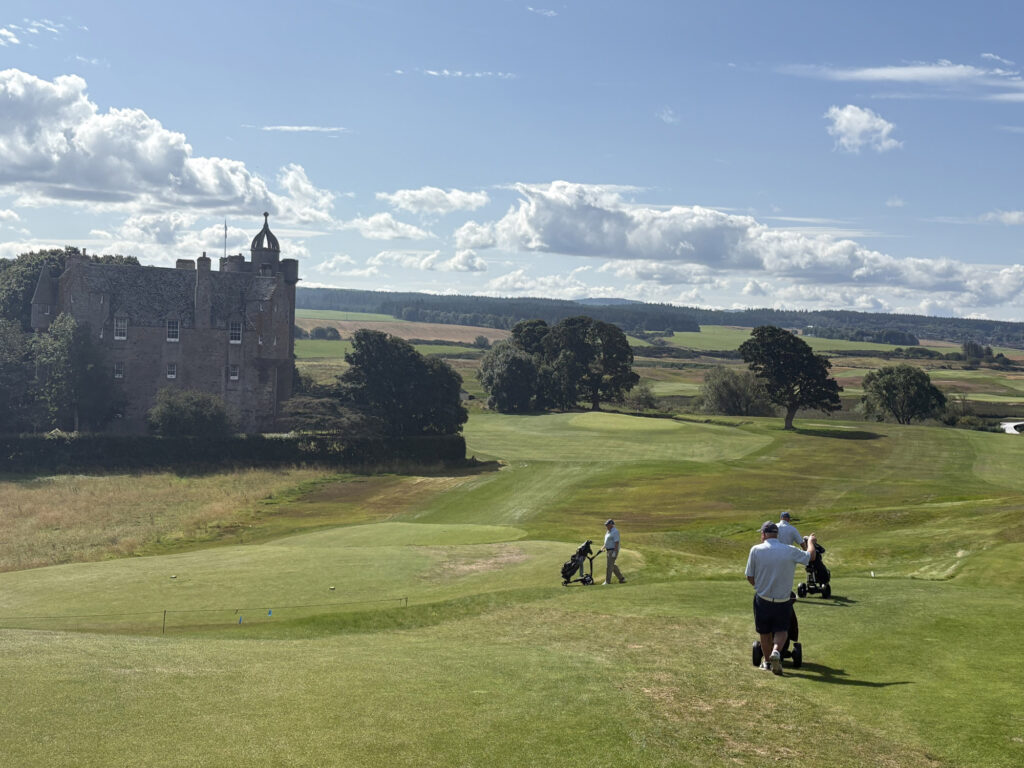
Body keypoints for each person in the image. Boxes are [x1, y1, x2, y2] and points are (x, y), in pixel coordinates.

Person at [744, 521, 817, 676]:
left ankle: (767, 662)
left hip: (763, 598)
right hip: (783, 600)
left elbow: (750, 576)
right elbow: (810, 556)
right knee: (782, 629)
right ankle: (776, 651)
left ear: (763, 534)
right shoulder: (789, 550)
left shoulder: (755, 550)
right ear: (776, 534)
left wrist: (760, 586)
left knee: (764, 632)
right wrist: (810, 542)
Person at [600, 519, 626, 585]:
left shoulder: (615, 531)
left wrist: (615, 552)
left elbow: (616, 542)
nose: (606, 526)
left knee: (609, 566)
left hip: (613, 550)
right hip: (608, 550)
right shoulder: (608, 531)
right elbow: (607, 542)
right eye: (606, 525)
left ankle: (607, 581)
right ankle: (621, 578)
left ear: (611, 525)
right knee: (612, 565)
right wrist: (603, 547)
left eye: (607, 525)